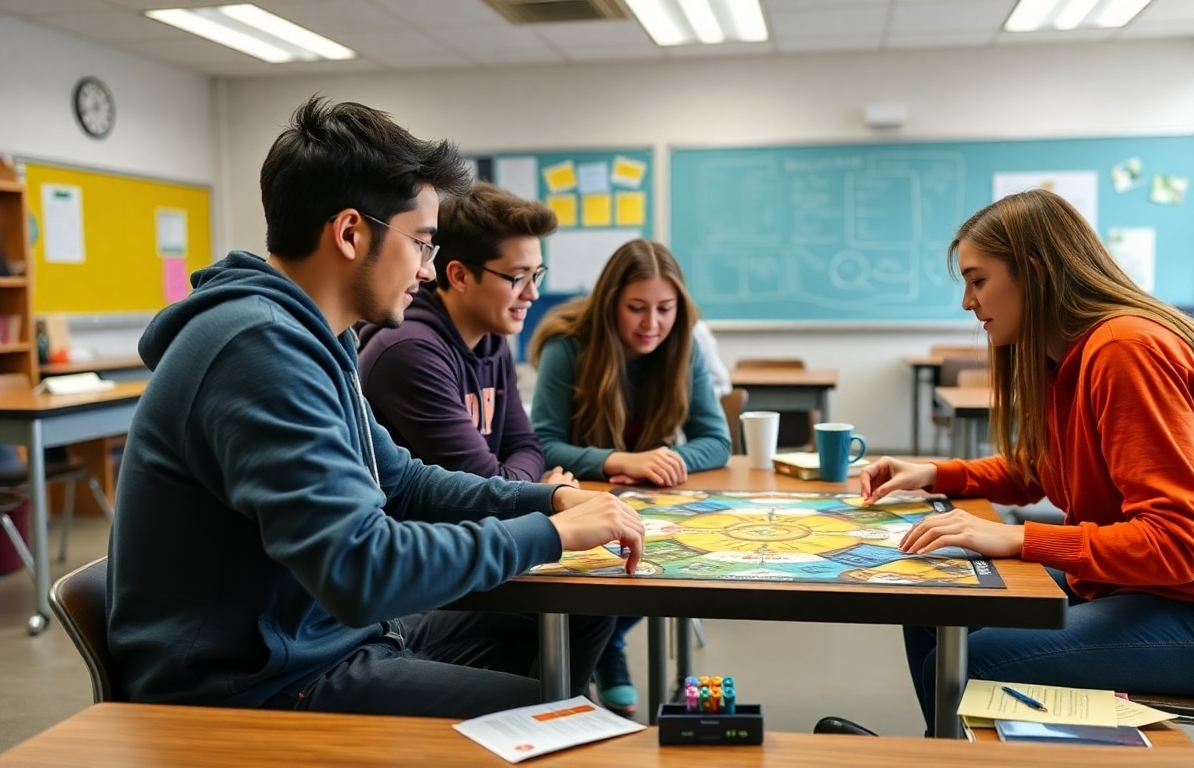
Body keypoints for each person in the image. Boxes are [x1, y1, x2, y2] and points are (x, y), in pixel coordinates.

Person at [107, 96, 645, 719]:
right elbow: (360, 569)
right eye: (421, 244)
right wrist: (549, 535)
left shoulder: (314, 337)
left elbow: (404, 483)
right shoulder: (259, 349)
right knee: (556, 717)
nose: (427, 271)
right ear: (349, 233)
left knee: (578, 619)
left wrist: (549, 501)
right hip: (252, 686)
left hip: (323, 640)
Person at [859, 189, 1194, 736]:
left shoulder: (1125, 350)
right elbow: (1043, 470)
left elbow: (1175, 545)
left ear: (1034, 273)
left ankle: (947, 753)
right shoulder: (1072, 356)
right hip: (1132, 587)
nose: (967, 302)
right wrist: (937, 474)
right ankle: (946, 750)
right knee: (933, 603)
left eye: (978, 280)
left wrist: (1019, 538)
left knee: (969, 662)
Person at [529, 239, 731, 716]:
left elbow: (717, 441)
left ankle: (608, 643)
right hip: (579, 499)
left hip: (648, 498)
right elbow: (543, 444)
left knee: (675, 554)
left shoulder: (684, 345)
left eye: (665, 308)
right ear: (610, 303)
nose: (652, 323)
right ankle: (604, 647)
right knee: (614, 561)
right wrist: (621, 461)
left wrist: (665, 460)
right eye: (636, 308)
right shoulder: (567, 346)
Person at [358, 180, 574, 485]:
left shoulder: (491, 338)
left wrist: (521, 486)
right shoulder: (408, 351)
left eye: (536, 275)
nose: (532, 294)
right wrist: (541, 492)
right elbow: (486, 485)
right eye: (517, 277)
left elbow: (527, 446)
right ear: (459, 276)